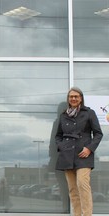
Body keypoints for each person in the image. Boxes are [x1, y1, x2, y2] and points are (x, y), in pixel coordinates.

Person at [55, 87, 103, 216]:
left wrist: (89, 148)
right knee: (72, 189)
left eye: (76, 96)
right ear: (68, 99)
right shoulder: (63, 115)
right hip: (67, 155)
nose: (74, 98)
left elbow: (98, 134)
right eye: (71, 96)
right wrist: (62, 147)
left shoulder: (89, 113)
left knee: (82, 185)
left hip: (83, 155)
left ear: (81, 98)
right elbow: (58, 136)